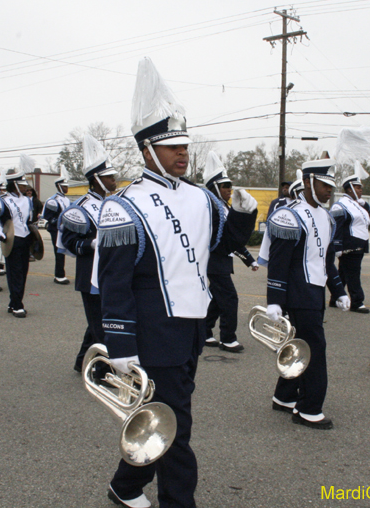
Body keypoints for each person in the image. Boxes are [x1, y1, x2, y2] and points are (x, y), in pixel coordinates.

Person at [94, 58, 257, 508]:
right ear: (148, 151)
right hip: (150, 328)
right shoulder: (121, 206)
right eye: (171, 147)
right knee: (176, 426)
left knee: (163, 414)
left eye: (185, 146)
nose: (182, 154)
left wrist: (243, 215)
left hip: (191, 326)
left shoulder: (202, 197)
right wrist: (121, 348)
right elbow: (114, 285)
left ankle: (124, 487)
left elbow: (220, 247)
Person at [262, 156, 350, 429]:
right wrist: (274, 300)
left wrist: (338, 290)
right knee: (314, 350)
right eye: (323, 184)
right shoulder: (289, 215)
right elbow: (278, 263)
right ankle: (309, 408)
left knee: (298, 346)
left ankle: (284, 396)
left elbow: (326, 259)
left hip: (315, 294)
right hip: (298, 294)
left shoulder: (326, 215)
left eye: (330, 186)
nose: (328, 190)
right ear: (309, 181)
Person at [61, 134, 118, 372]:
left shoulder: (115, 203)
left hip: (109, 273)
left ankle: (80, 362)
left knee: (98, 323)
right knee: (102, 326)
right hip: (90, 276)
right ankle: (101, 372)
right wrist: (92, 244)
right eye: (109, 177)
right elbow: (69, 243)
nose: (114, 180)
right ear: (96, 179)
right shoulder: (80, 208)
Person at [202, 151, 259, 352]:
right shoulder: (209, 207)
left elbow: (232, 240)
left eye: (229, 186)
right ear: (215, 187)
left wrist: (249, 259)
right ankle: (227, 337)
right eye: (225, 186)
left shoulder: (224, 207)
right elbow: (221, 240)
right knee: (229, 298)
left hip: (222, 261)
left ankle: (204, 331)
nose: (229, 189)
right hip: (213, 260)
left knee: (218, 300)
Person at [0, 154, 37, 318]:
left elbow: (28, 220)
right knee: (15, 272)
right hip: (11, 239)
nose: (25, 186)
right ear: (14, 184)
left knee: (23, 272)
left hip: (25, 239)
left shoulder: (28, 200)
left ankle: (13, 302)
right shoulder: (1, 201)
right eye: (21, 183)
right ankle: (18, 304)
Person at [330, 161, 370, 313]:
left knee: (344, 273)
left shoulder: (357, 205)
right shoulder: (340, 205)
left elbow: (369, 219)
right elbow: (337, 227)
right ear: (349, 189)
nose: (361, 190)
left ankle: (335, 298)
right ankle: (357, 301)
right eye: (357, 187)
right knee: (353, 274)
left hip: (358, 245)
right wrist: (337, 247)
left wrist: (366, 205)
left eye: (360, 187)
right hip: (349, 246)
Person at [42, 166, 72, 285]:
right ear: (59, 186)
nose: (67, 188)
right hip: (56, 229)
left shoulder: (66, 200)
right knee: (59, 252)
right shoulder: (52, 200)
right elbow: (48, 217)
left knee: (63, 251)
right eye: (65, 186)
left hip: (63, 229)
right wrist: (60, 222)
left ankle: (60, 273)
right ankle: (59, 275)